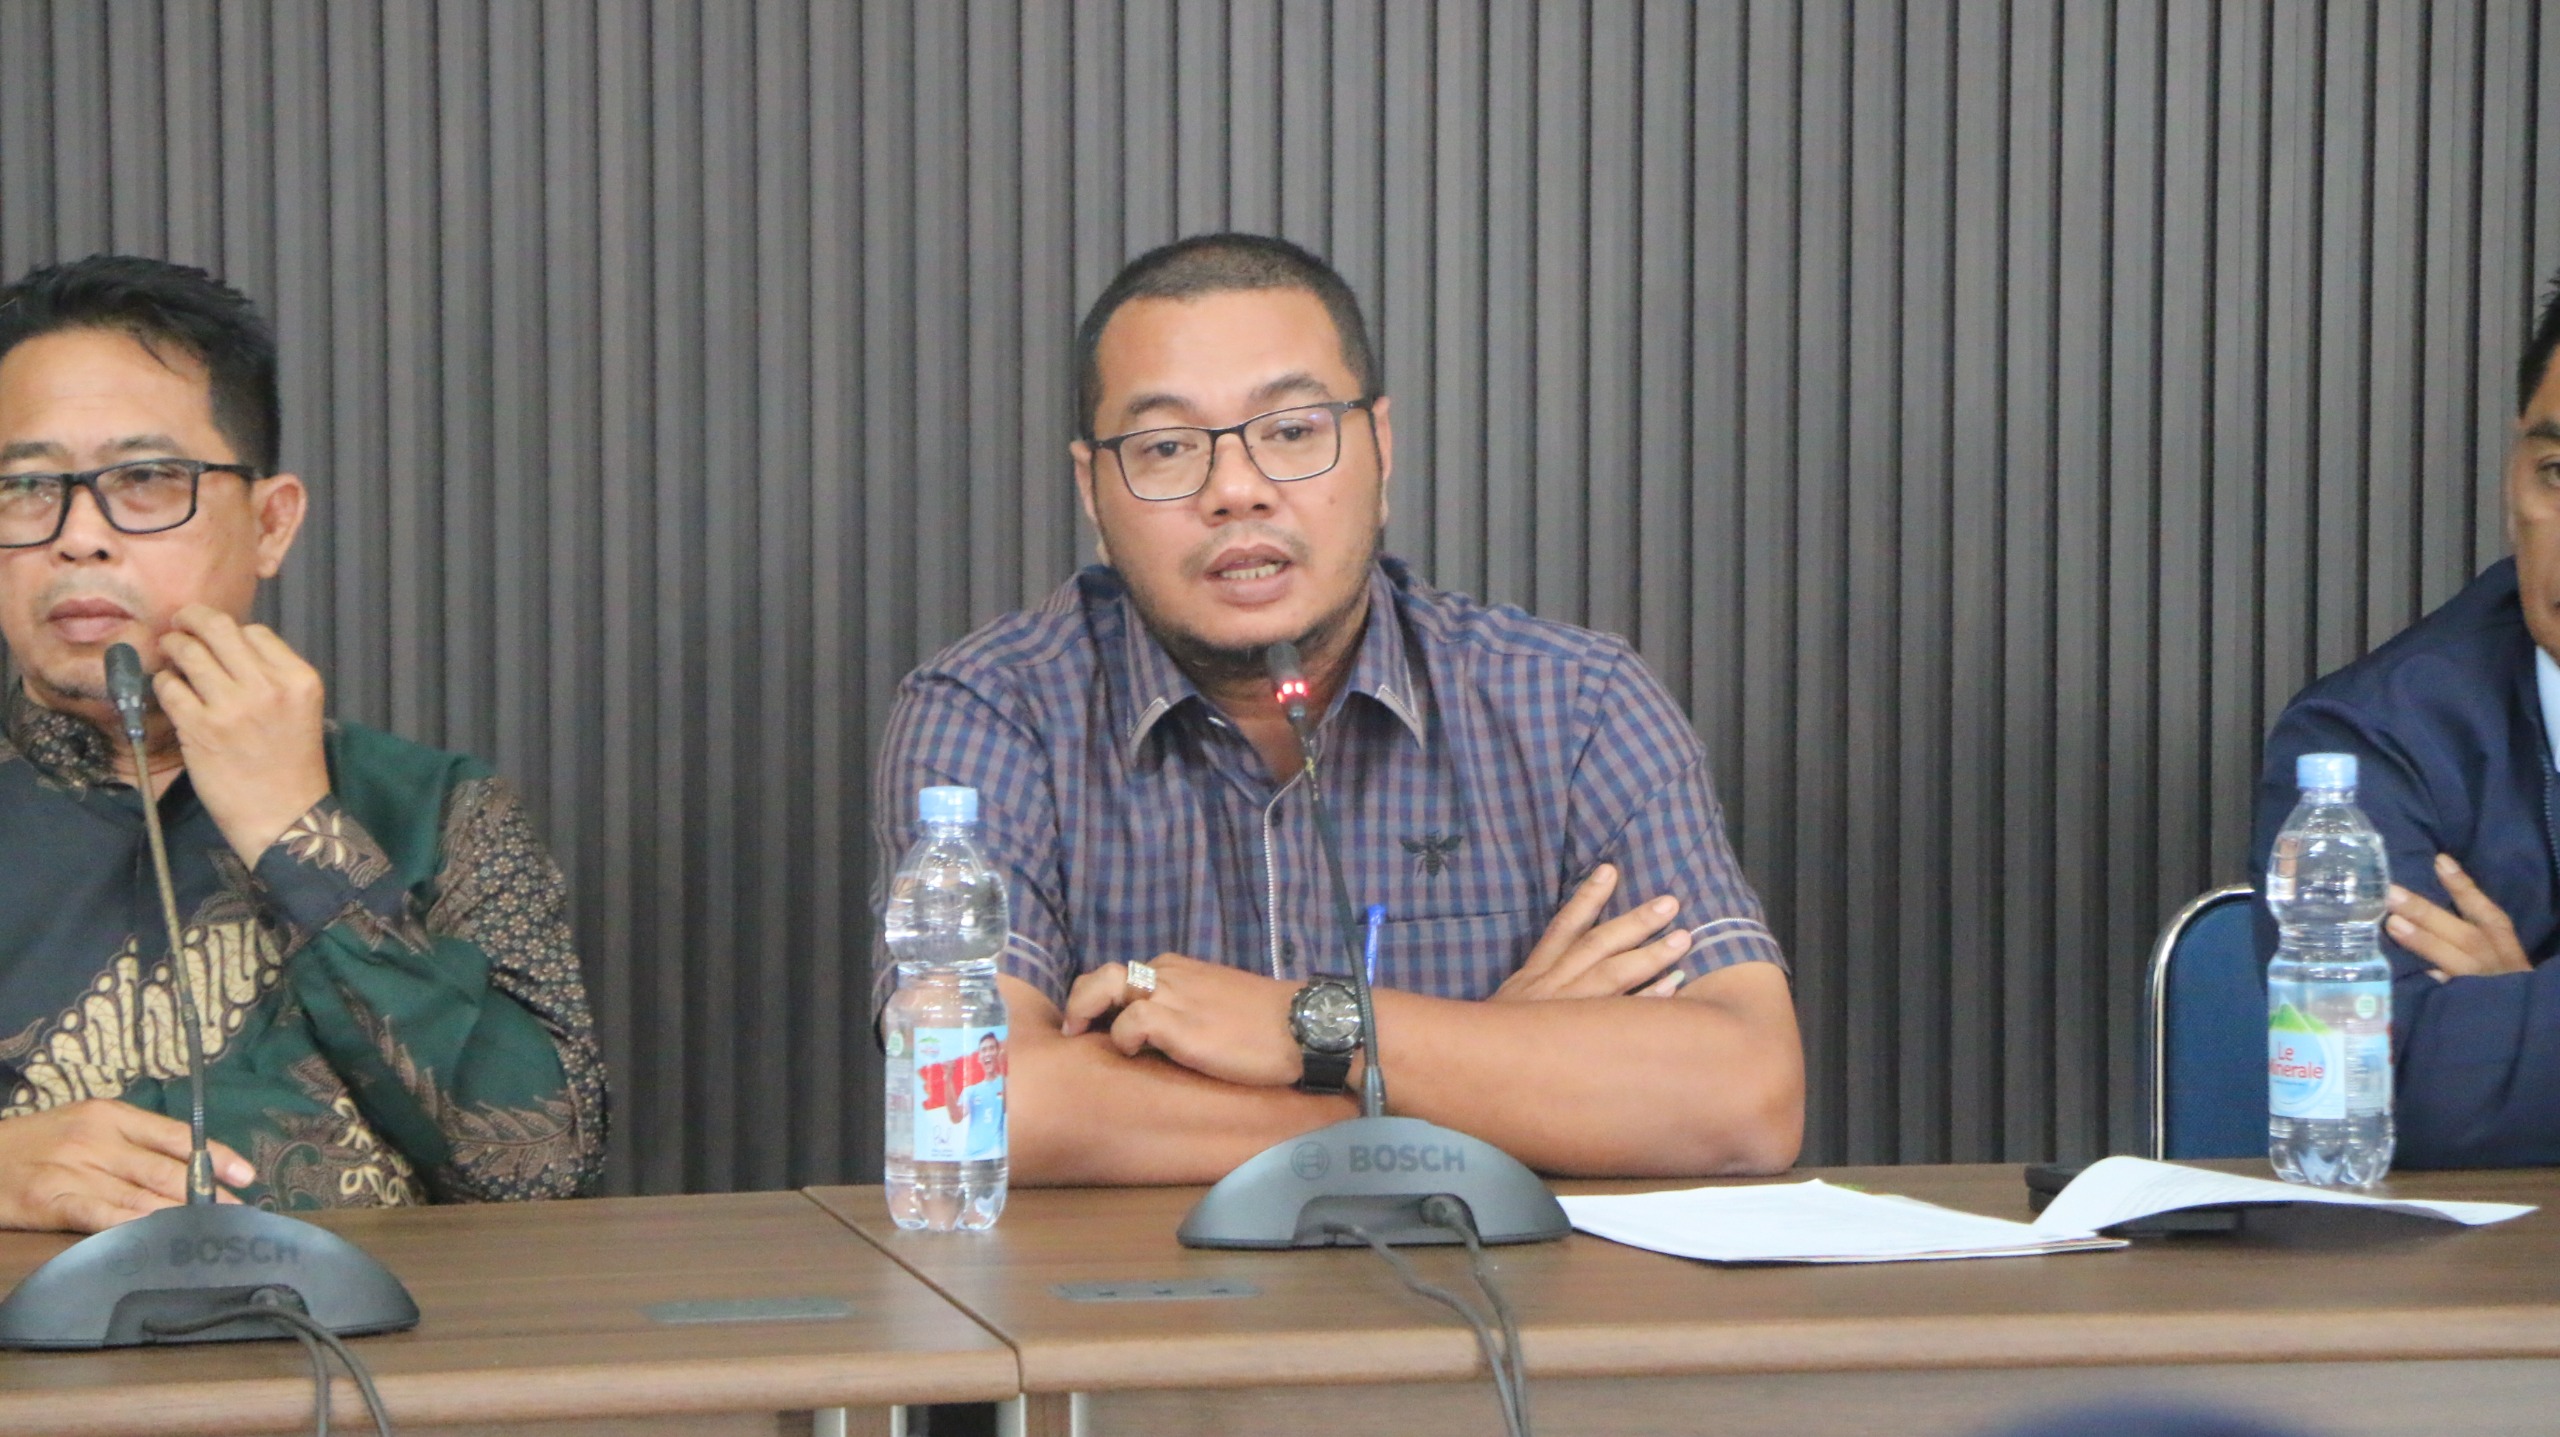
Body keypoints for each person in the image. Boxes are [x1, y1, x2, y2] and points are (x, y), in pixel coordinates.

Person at [871, 233, 1802, 1184]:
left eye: (1292, 432)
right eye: (1166, 448)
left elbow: (1746, 1093)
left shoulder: (1574, 703)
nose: (1237, 491)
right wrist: (1478, 1072)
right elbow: (970, 1102)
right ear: (1091, 489)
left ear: (1380, 449)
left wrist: (1308, 1027)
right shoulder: (992, 713)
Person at [0, 255, 608, 1231]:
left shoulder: (438, 809)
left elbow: (543, 1168)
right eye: (27, 487)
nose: (78, 536)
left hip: (376, 1332)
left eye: (144, 480)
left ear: (271, 523)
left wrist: (299, 830)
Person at [2252, 270, 2560, 1167]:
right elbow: (2400, 1092)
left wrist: (2518, 1016)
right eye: (2559, 473)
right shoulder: (2370, 740)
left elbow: (2483, 1077)